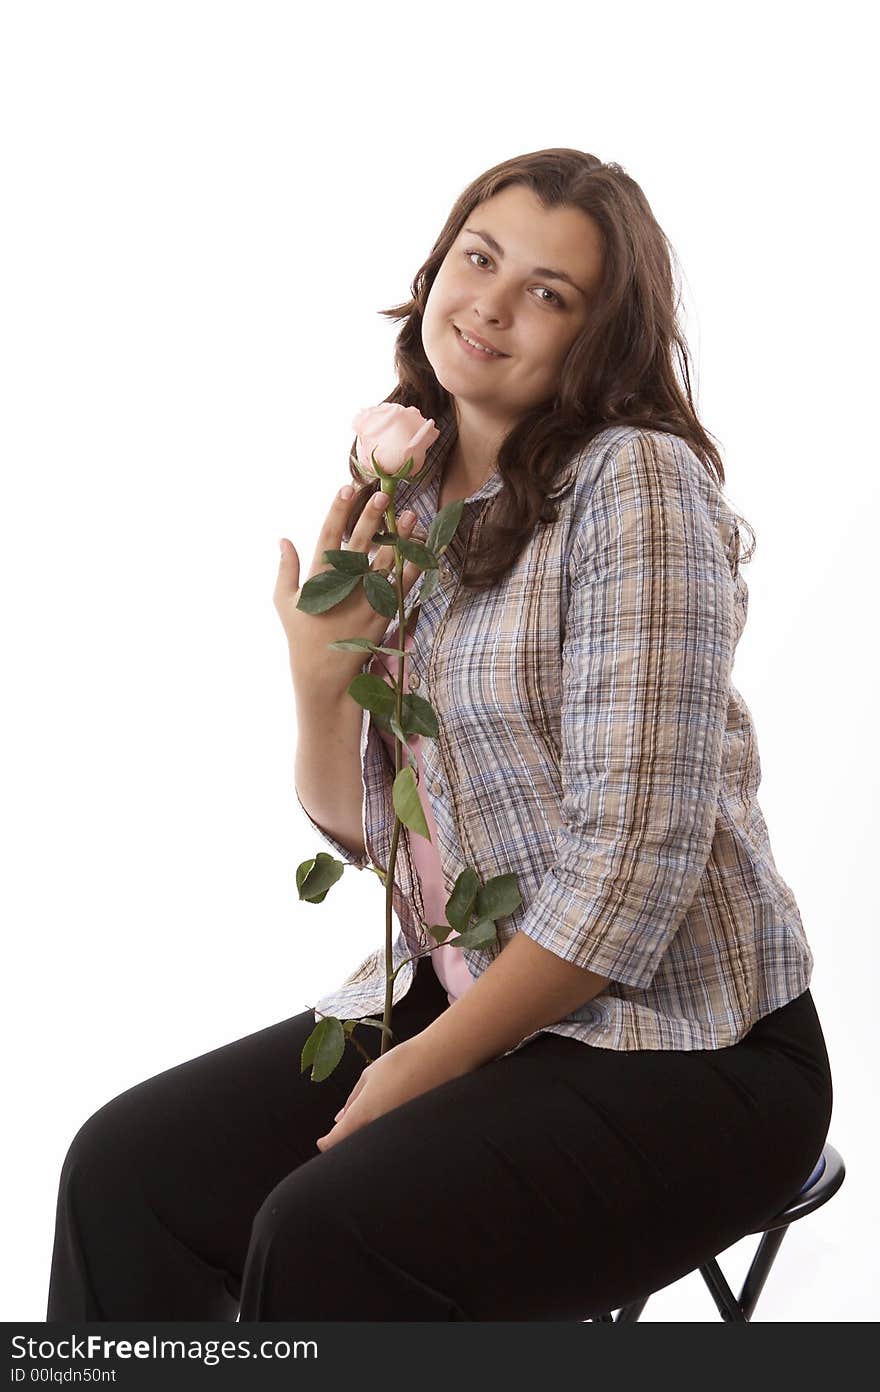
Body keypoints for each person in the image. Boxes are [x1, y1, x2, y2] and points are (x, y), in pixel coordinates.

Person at [46, 148, 833, 1323]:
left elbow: (630, 870)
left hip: (689, 1044)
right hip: (474, 992)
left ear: (596, 339)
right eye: (479, 258)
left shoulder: (637, 487)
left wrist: (429, 1061)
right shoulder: (413, 506)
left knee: (327, 1232)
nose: (493, 304)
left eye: (549, 294)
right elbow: (372, 836)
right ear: (435, 267)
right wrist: (322, 679)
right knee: (125, 1175)